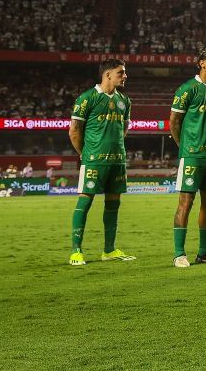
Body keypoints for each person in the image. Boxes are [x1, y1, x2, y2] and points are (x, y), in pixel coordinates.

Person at [168, 47, 206, 267]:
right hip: (192, 155)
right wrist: (184, 147)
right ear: (202, 63)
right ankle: (178, 253)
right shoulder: (187, 89)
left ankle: (204, 252)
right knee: (186, 202)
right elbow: (174, 122)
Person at [68, 59, 134, 266]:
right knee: (85, 201)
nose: (125, 76)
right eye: (121, 72)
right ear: (107, 75)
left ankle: (109, 250)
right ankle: (76, 251)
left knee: (113, 204)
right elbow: (74, 131)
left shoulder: (125, 101)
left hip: (117, 161)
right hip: (94, 161)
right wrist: (85, 153)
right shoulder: (87, 98)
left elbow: (124, 129)